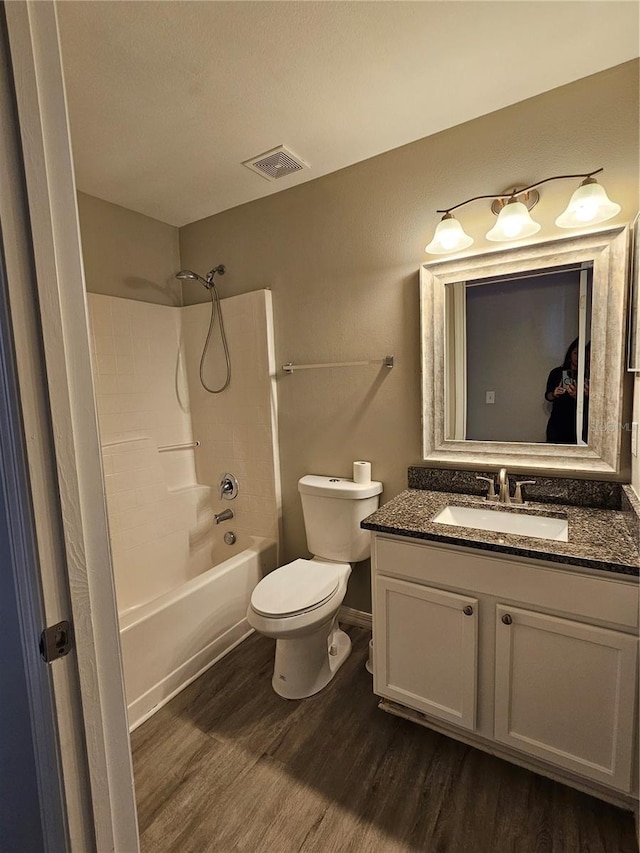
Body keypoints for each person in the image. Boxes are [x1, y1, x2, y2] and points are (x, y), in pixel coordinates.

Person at [545, 338, 590, 443]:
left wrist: (580, 396)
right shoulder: (557, 372)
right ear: (570, 354)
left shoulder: (587, 374)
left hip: (579, 423)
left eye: (581, 353)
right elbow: (548, 396)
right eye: (575, 353)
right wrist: (554, 393)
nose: (578, 356)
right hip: (558, 422)